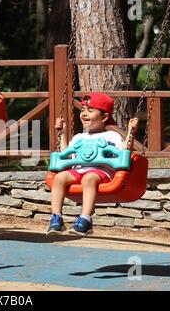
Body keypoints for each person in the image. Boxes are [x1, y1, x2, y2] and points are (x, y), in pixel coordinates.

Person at [47, 93, 138, 236]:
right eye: (82, 110)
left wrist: (131, 133)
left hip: (101, 172)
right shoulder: (78, 137)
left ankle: (85, 219)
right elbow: (67, 155)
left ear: (104, 117)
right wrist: (62, 133)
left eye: (90, 110)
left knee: (88, 178)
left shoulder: (111, 136)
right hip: (79, 171)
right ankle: (56, 218)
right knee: (59, 178)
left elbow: (124, 151)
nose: (84, 114)